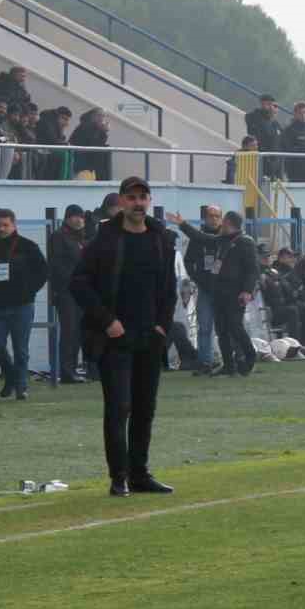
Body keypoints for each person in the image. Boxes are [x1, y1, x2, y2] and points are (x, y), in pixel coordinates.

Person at [69, 177, 177, 497]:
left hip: (149, 337)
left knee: (145, 408)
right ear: (121, 201)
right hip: (115, 338)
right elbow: (78, 283)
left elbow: (169, 290)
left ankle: (140, 474)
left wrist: (162, 327)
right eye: (132, 198)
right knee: (119, 407)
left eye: (143, 197)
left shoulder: (161, 239)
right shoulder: (104, 240)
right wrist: (107, 321)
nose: (138, 203)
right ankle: (119, 477)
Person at [169, 209, 258, 376]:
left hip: (235, 292)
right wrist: (182, 225)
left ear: (228, 223)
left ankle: (250, 356)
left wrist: (247, 290)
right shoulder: (223, 240)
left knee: (235, 326)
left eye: (222, 220)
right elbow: (202, 238)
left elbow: (252, 270)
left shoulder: (245, 242)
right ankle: (228, 365)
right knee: (221, 329)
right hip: (219, 291)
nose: (220, 223)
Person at [0, 208, 48, 400]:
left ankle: (21, 387)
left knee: (21, 349)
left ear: (14, 225)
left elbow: (43, 271)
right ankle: (11, 375)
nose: (1, 229)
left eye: (5, 225)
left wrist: (28, 291)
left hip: (22, 306)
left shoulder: (27, 246)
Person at [48, 204, 89, 384]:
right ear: (67, 218)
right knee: (69, 331)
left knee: (79, 331)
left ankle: (72, 369)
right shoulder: (59, 237)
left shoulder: (82, 237)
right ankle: (66, 371)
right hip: (67, 292)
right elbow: (56, 265)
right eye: (75, 216)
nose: (79, 220)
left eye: (81, 217)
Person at [180, 205, 223, 374]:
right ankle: (205, 361)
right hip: (205, 289)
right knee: (204, 326)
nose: (214, 219)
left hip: (224, 289)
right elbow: (188, 261)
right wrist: (198, 278)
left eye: (217, 216)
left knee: (227, 326)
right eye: (211, 216)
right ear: (204, 218)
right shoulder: (196, 239)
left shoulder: (226, 237)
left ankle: (232, 359)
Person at [245, 94, 284, 179]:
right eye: (269, 104)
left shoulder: (275, 124)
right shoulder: (253, 117)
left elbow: (280, 141)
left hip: (276, 162)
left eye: (273, 105)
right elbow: (258, 134)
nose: (271, 108)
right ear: (262, 104)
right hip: (262, 159)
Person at [69, 108, 111, 181]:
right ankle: (102, 180)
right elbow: (93, 144)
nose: (101, 118)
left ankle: (103, 179)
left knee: (106, 150)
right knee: (103, 153)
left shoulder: (95, 127)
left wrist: (103, 132)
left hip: (88, 156)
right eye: (99, 115)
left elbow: (99, 144)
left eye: (103, 116)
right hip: (81, 156)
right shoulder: (85, 126)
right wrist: (103, 131)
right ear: (92, 116)